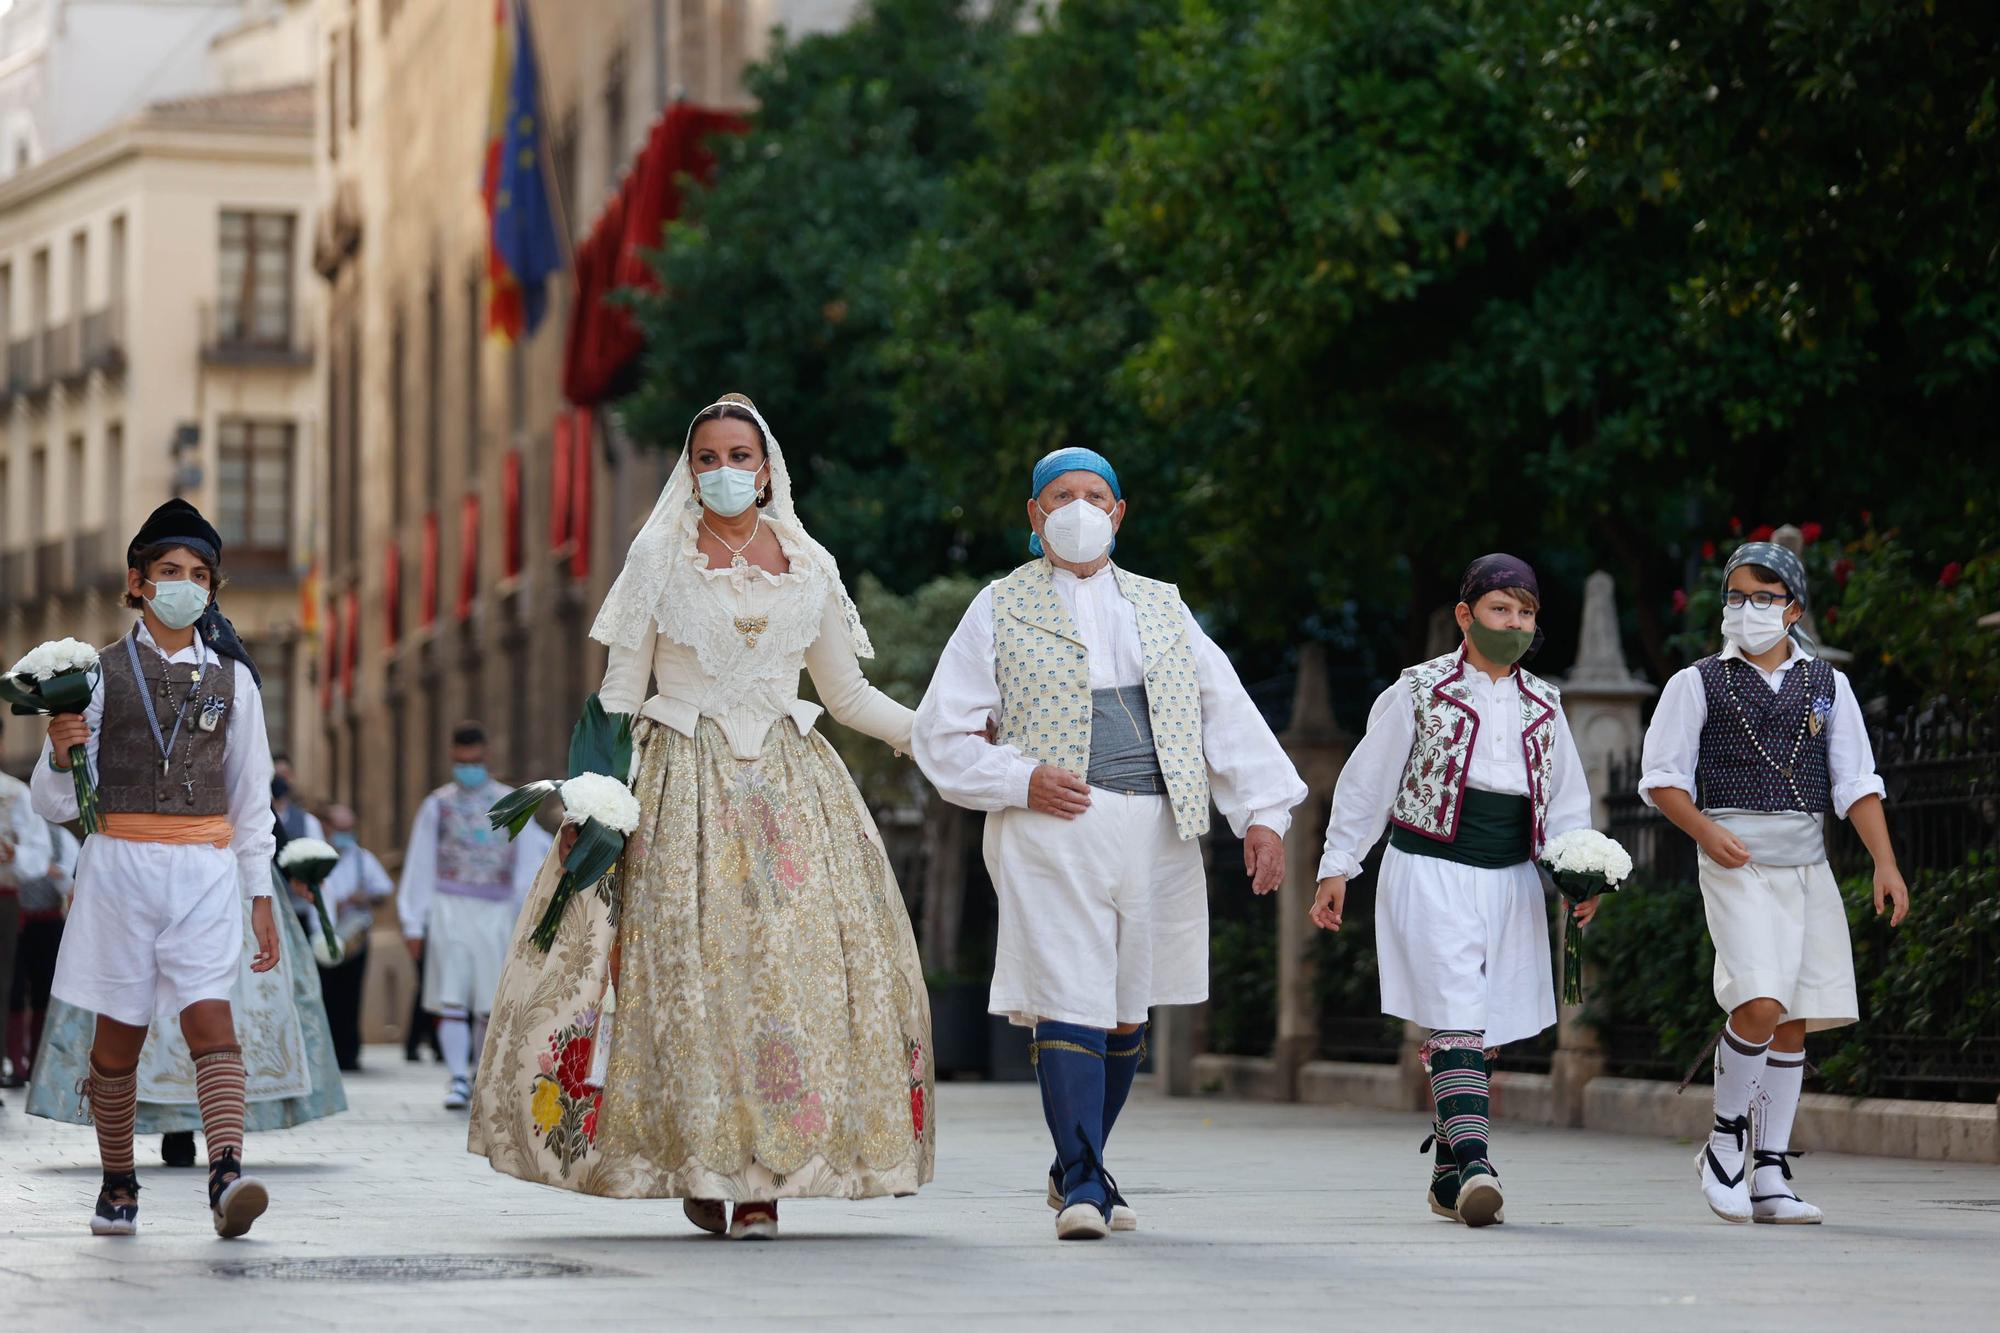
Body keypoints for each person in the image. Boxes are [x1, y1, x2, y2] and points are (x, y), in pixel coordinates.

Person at [469, 393, 933, 1242]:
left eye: (740, 456)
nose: (725, 471)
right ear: (690, 469)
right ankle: (702, 1162)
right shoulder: (658, 562)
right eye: (708, 457)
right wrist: (589, 796)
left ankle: (764, 1181)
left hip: (795, 800)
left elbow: (847, 694)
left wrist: (934, 735)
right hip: (680, 793)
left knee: (786, 982)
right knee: (689, 983)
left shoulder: (810, 563)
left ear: (767, 467)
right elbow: (618, 692)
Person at [913, 446, 1307, 1241]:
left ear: (1120, 511)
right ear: (1035, 513)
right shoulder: (998, 604)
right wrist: (1020, 779)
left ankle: (1074, 1165)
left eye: (1096, 494)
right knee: (1068, 995)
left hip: (1157, 826)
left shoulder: (1164, 605)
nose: (1080, 507)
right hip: (1051, 828)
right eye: (1061, 495)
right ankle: (1087, 1180)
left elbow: (1220, 708)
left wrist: (1262, 814)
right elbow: (940, 734)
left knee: (1128, 1009)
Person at [1310, 554, 1596, 1228]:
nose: (1516, 622)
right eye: (1502, 608)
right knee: (1458, 1014)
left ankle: (1445, 1171)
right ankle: (1474, 1161)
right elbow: (1365, 785)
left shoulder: (1547, 705)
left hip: (1513, 878)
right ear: (1466, 615)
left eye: (1526, 612)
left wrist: (1578, 873)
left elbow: (1568, 804)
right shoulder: (1417, 690)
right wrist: (1337, 866)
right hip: (1429, 867)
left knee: (1484, 1025)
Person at [29, 499, 282, 1238]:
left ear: (213, 588)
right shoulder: (98, 674)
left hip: (204, 867)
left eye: (199, 575)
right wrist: (60, 746)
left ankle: (227, 1173)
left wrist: (258, 890)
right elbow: (52, 802)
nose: (185, 585)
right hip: (119, 868)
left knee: (212, 1015)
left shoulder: (236, 681)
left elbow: (251, 794)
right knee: (119, 1036)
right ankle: (118, 1180)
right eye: (169, 572)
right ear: (137, 583)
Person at [1637, 540, 1908, 1225]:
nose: (1746, 608)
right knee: (1759, 999)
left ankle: (1769, 1171)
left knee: (1795, 1020)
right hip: (1736, 863)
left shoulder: (1828, 684)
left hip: (1806, 864)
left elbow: (1855, 782)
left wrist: (1884, 861)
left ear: (1792, 607)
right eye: (1735, 595)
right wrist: (1706, 831)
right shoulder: (1696, 682)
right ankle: (1725, 1140)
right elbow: (1662, 778)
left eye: (1762, 596)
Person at [398, 722, 549, 1110]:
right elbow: (420, 862)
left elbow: (533, 856)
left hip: (496, 909)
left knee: (487, 998)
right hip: (449, 906)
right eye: (462, 761)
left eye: (475, 761)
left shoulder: (510, 801)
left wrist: (526, 912)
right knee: (452, 996)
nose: (469, 768)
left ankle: (481, 1073)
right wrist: (413, 921)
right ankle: (458, 1077)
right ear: (452, 758)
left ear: (486, 757)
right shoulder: (438, 805)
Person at [312, 803, 392, 1071]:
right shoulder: (314, 856)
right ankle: (324, 1053)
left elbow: (383, 890)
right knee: (323, 994)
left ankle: (348, 1053)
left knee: (350, 995)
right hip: (321, 934)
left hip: (354, 939)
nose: (346, 834)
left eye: (350, 828)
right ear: (326, 827)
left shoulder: (361, 858)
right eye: (341, 828)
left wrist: (362, 897)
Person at [0, 735, 54, 1098]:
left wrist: (12, 854)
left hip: (2, 897)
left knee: (4, 985)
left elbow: (39, 854)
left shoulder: (14, 794)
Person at [6, 818, 76, 1090]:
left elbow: (66, 883)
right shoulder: (11, 833)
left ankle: (39, 1063)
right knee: (10, 992)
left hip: (47, 924)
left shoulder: (60, 837)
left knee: (44, 994)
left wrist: (49, 870)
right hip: (12, 919)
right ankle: (14, 1063)